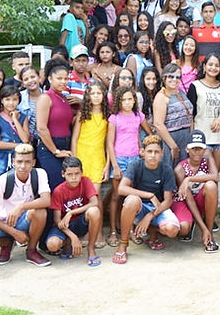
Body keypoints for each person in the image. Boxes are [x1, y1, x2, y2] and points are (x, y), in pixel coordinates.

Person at [0, 144, 51, 267]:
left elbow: (46, 200)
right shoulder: (3, 180)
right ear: (13, 162)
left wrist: (20, 207)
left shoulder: (39, 174)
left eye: (27, 162)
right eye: (19, 161)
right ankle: (6, 242)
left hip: (23, 219)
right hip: (3, 222)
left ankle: (31, 250)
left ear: (33, 163)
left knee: (40, 211)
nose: (23, 166)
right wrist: (14, 233)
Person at [113, 135, 180, 263]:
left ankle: (151, 230)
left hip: (157, 208)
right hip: (139, 207)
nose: (153, 155)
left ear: (162, 153)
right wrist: (149, 195)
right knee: (132, 200)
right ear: (142, 152)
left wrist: (150, 215)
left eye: (156, 152)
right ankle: (123, 244)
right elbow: (121, 189)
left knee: (172, 230)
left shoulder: (166, 169)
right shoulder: (136, 165)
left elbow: (168, 201)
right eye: (149, 151)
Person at [106, 86, 152, 247]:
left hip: (134, 160)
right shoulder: (114, 118)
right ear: (119, 101)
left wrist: (143, 148)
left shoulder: (138, 116)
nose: (127, 102)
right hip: (119, 158)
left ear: (135, 100)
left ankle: (130, 229)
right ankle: (113, 231)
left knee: (131, 197)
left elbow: (148, 133)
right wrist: (115, 165)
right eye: (124, 99)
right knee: (116, 196)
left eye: (130, 99)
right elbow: (110, 144)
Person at [70, 83, 109, 248]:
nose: (96, 96)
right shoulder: (81, 115)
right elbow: (74, 139)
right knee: (84, 197)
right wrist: (74, 161)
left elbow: (108, 143)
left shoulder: (108, 116)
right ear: (88, 96)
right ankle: (87, 230)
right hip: (82, 158)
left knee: (96, 197)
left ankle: (98, 232)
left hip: (98, 159)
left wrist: (107, 165)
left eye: (99, 93)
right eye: (92, 93)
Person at [46, 157, 102, 266]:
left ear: (82, 172)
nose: (74, 178)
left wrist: (71, 213)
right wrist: (73, 237)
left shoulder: (85, 181)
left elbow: (94, 202)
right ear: (63, 174)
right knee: (52, 245)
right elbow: (57, 220)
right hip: (64, 226)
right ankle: (68, 242)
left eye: (77, 173)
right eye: (69, 174)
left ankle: (91, 249)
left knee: (94, 211)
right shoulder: (58, 191)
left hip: (80, 223)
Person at [172, 131, 220, 253]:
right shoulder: (180, 169)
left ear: (205, 150)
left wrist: (189, 179)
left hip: (201, 198)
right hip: (186, 202)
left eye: (200, 148)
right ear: (187, 149)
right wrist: (202, 229)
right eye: (194, 148)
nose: (197, 151)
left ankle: (210, 234)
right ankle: (198, 225)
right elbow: (189, 199)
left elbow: (215, 176)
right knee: (183, 229)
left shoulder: (208, 158)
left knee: (211, 186)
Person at [187, 54, 220, 172]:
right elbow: (190, 114)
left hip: (219, 137)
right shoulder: (195, 86)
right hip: (201, 137)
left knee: (215, 174)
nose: (213, 68)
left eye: (217, 65)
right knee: (202, 175)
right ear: (204, 67)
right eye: (210, 64)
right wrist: (191, 136)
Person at [36, 63, 74, 190]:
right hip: (49, 148)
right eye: (59, 78)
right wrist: (55, 151)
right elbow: (41, 128)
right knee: (55, 186)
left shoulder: (64, 98)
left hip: (65, 145)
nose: (63, 81)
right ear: (50, 79)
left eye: (66, 78)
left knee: (65, 186)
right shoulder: (45, 98)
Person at [153, 63, 194, 167]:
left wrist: (191, 137)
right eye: (171, 76)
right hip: (170, 139)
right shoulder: (161, 97)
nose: (174, 79)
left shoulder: (181, 92)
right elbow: (158, 124)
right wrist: (173, 146)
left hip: (185, 138)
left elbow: (189, 115)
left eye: (177, 77)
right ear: (164, 78)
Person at [0, 85, 30, 177]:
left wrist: (15, 120)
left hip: (20, 160)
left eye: (14, 99)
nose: (11, 103)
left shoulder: (23, 118)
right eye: (7, 99)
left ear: (19, 100)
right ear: (2, 101)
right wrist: (20, 146)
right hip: (1, 161)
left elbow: (25, 140)